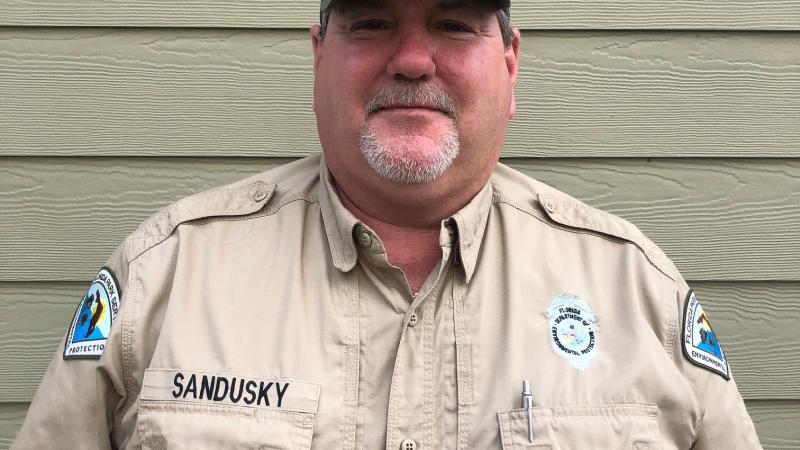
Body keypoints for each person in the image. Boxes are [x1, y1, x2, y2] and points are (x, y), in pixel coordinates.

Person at [13, 0, 762, 448]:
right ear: (317, 59)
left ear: (509, 63)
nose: (410, 59)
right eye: (372, 22)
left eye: (451, 23)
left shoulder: (639, 295)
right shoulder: (165, 280)